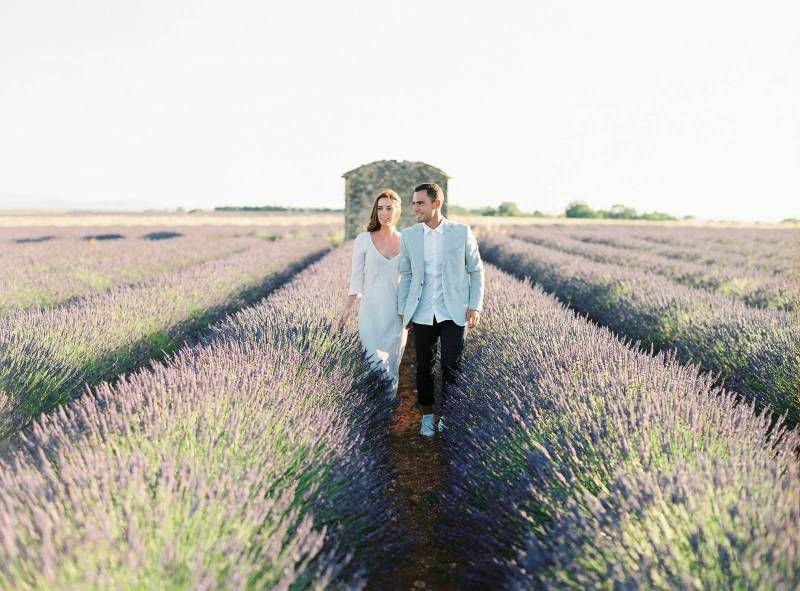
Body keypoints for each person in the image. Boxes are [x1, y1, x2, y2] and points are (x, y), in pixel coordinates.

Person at [397, 182, 484, 437]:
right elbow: (407, 274)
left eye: (420, 203)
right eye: (413, 203)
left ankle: (447, 416)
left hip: (453, 311)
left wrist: (474, 306)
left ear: (437, 204)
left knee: (451, 366)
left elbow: (476, 271)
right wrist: (404, 309)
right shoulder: (410, 235)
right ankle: (426, 415)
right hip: (422, 311)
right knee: (424, 367)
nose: (415, 208)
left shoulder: (461, 232)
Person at [336, 188, 408, 396]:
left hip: (395, 314)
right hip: (370, 313)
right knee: (375, 364)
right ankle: (374, 410)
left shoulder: (406, 241)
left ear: (397, 211)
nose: (384, 213)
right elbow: (356, 279)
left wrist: (408, 311)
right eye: (380, 208)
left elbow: (409, 282)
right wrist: (346, 311)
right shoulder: (364, 239)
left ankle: (386, 415)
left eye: (389, 208)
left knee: (392, 369)